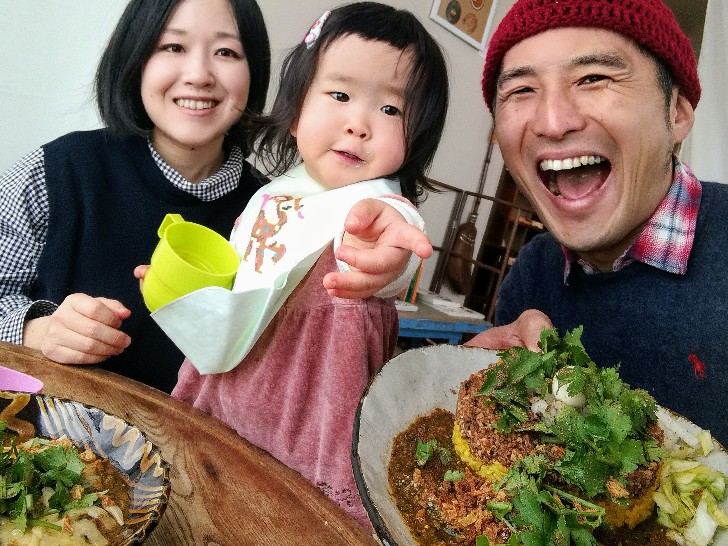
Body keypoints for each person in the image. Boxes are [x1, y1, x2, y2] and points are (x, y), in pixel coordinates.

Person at [0, 0, 428, 394]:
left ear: (254, 72)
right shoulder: (57, 170)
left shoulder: (275, 222)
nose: (199, 75)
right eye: (173, 46)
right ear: (136, 57)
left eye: (226, 52)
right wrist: (36, 329)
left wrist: (389, 260)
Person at [171, 3, 449, 528]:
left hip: (309, 418)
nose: (359, 124)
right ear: (298, 110)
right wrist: (188, 289)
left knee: (295, 521)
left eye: (391, 109)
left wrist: (383, 259)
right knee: (196, 494)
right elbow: (243, 272)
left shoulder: (376, 206)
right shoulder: (274, 194)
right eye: (340, 95)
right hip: (227, 390)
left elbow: (393, 248)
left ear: (417, 137)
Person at [467, 0, 727, 446]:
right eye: (522, 90)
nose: (552, 122)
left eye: (593, 78)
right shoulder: (532, 275)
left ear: (677, 113)